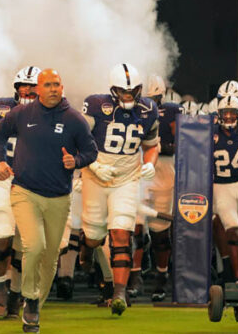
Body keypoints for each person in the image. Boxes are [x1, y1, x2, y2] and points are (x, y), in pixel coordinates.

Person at [0, 68, 98, 333]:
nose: (53, 89)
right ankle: (29, 298)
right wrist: (1, 161)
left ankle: (37, 303)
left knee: (51, 257)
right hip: (24, 192)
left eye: (57, 84)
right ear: (37, 89)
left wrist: (77, 161)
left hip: (59, 197)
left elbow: (91, 151)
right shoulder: (21, 114)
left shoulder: (74, 119)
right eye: (48, 84)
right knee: (34, 246)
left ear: (63, 88)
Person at [80, 63, 160, 316]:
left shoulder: (148, 109)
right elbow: (77, 140)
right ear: (112, 90)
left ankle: (119, 293)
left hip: (127, 177)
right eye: (123, 92)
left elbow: (152, 145)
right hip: (96, 175)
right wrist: (92, 164)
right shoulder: (95, 105)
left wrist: (150, 163)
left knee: (122, 233)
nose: (128, 97)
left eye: (133, 91)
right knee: (94, 236)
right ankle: (86, 249)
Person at [0, 66, 40, 318]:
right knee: (1, 235)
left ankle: (15, 292)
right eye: (23, 86)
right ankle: (0, 288)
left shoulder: (54, 113)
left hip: (33, 181)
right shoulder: (0, 108)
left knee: (25, 243)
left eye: (33, 87)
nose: (27, 90)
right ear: (16, 87)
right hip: (1, 176)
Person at [140, 74, 181, 301]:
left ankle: (161, 276)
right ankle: (132, 278)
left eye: (153, 99)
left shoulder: (171, 111)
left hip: (163, 169)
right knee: (133, 227)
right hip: (136, 165)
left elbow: (182, 141)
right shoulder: (129, 111)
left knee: (160, 230)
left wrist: (162, 146)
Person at [211, 94, 238, 288]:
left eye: (233, 113)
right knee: (232, 231)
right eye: (225, 113)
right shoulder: (212, 134)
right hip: (221, 186)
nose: (229, 118)